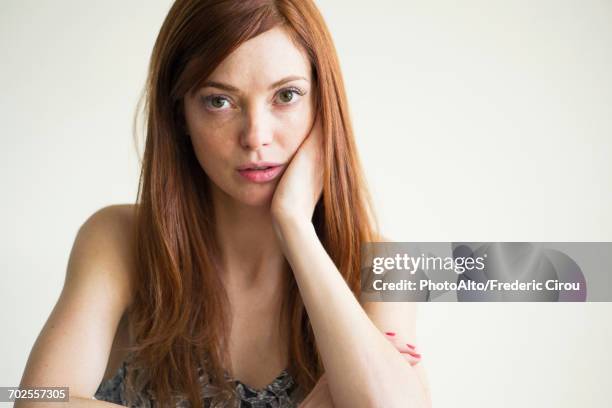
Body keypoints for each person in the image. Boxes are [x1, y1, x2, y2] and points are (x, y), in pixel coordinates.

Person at [17, 1, 431, 407]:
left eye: (286, 95)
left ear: (324, 104)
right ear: (180, 114)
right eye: (219, 101)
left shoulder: (386, 265)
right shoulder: (118, 239)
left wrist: (295, 226)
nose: (256, 136)